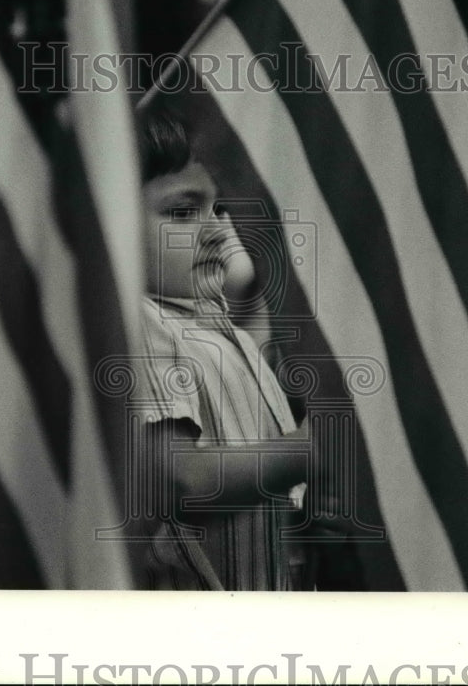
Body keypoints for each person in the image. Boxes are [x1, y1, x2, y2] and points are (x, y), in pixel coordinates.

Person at [132, 110, 313, 591]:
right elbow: (181, 481)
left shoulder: (220, 331)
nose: (217, 231)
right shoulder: (143, 323)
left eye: (221, 210)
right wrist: (316, 449)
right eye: (182, 212)